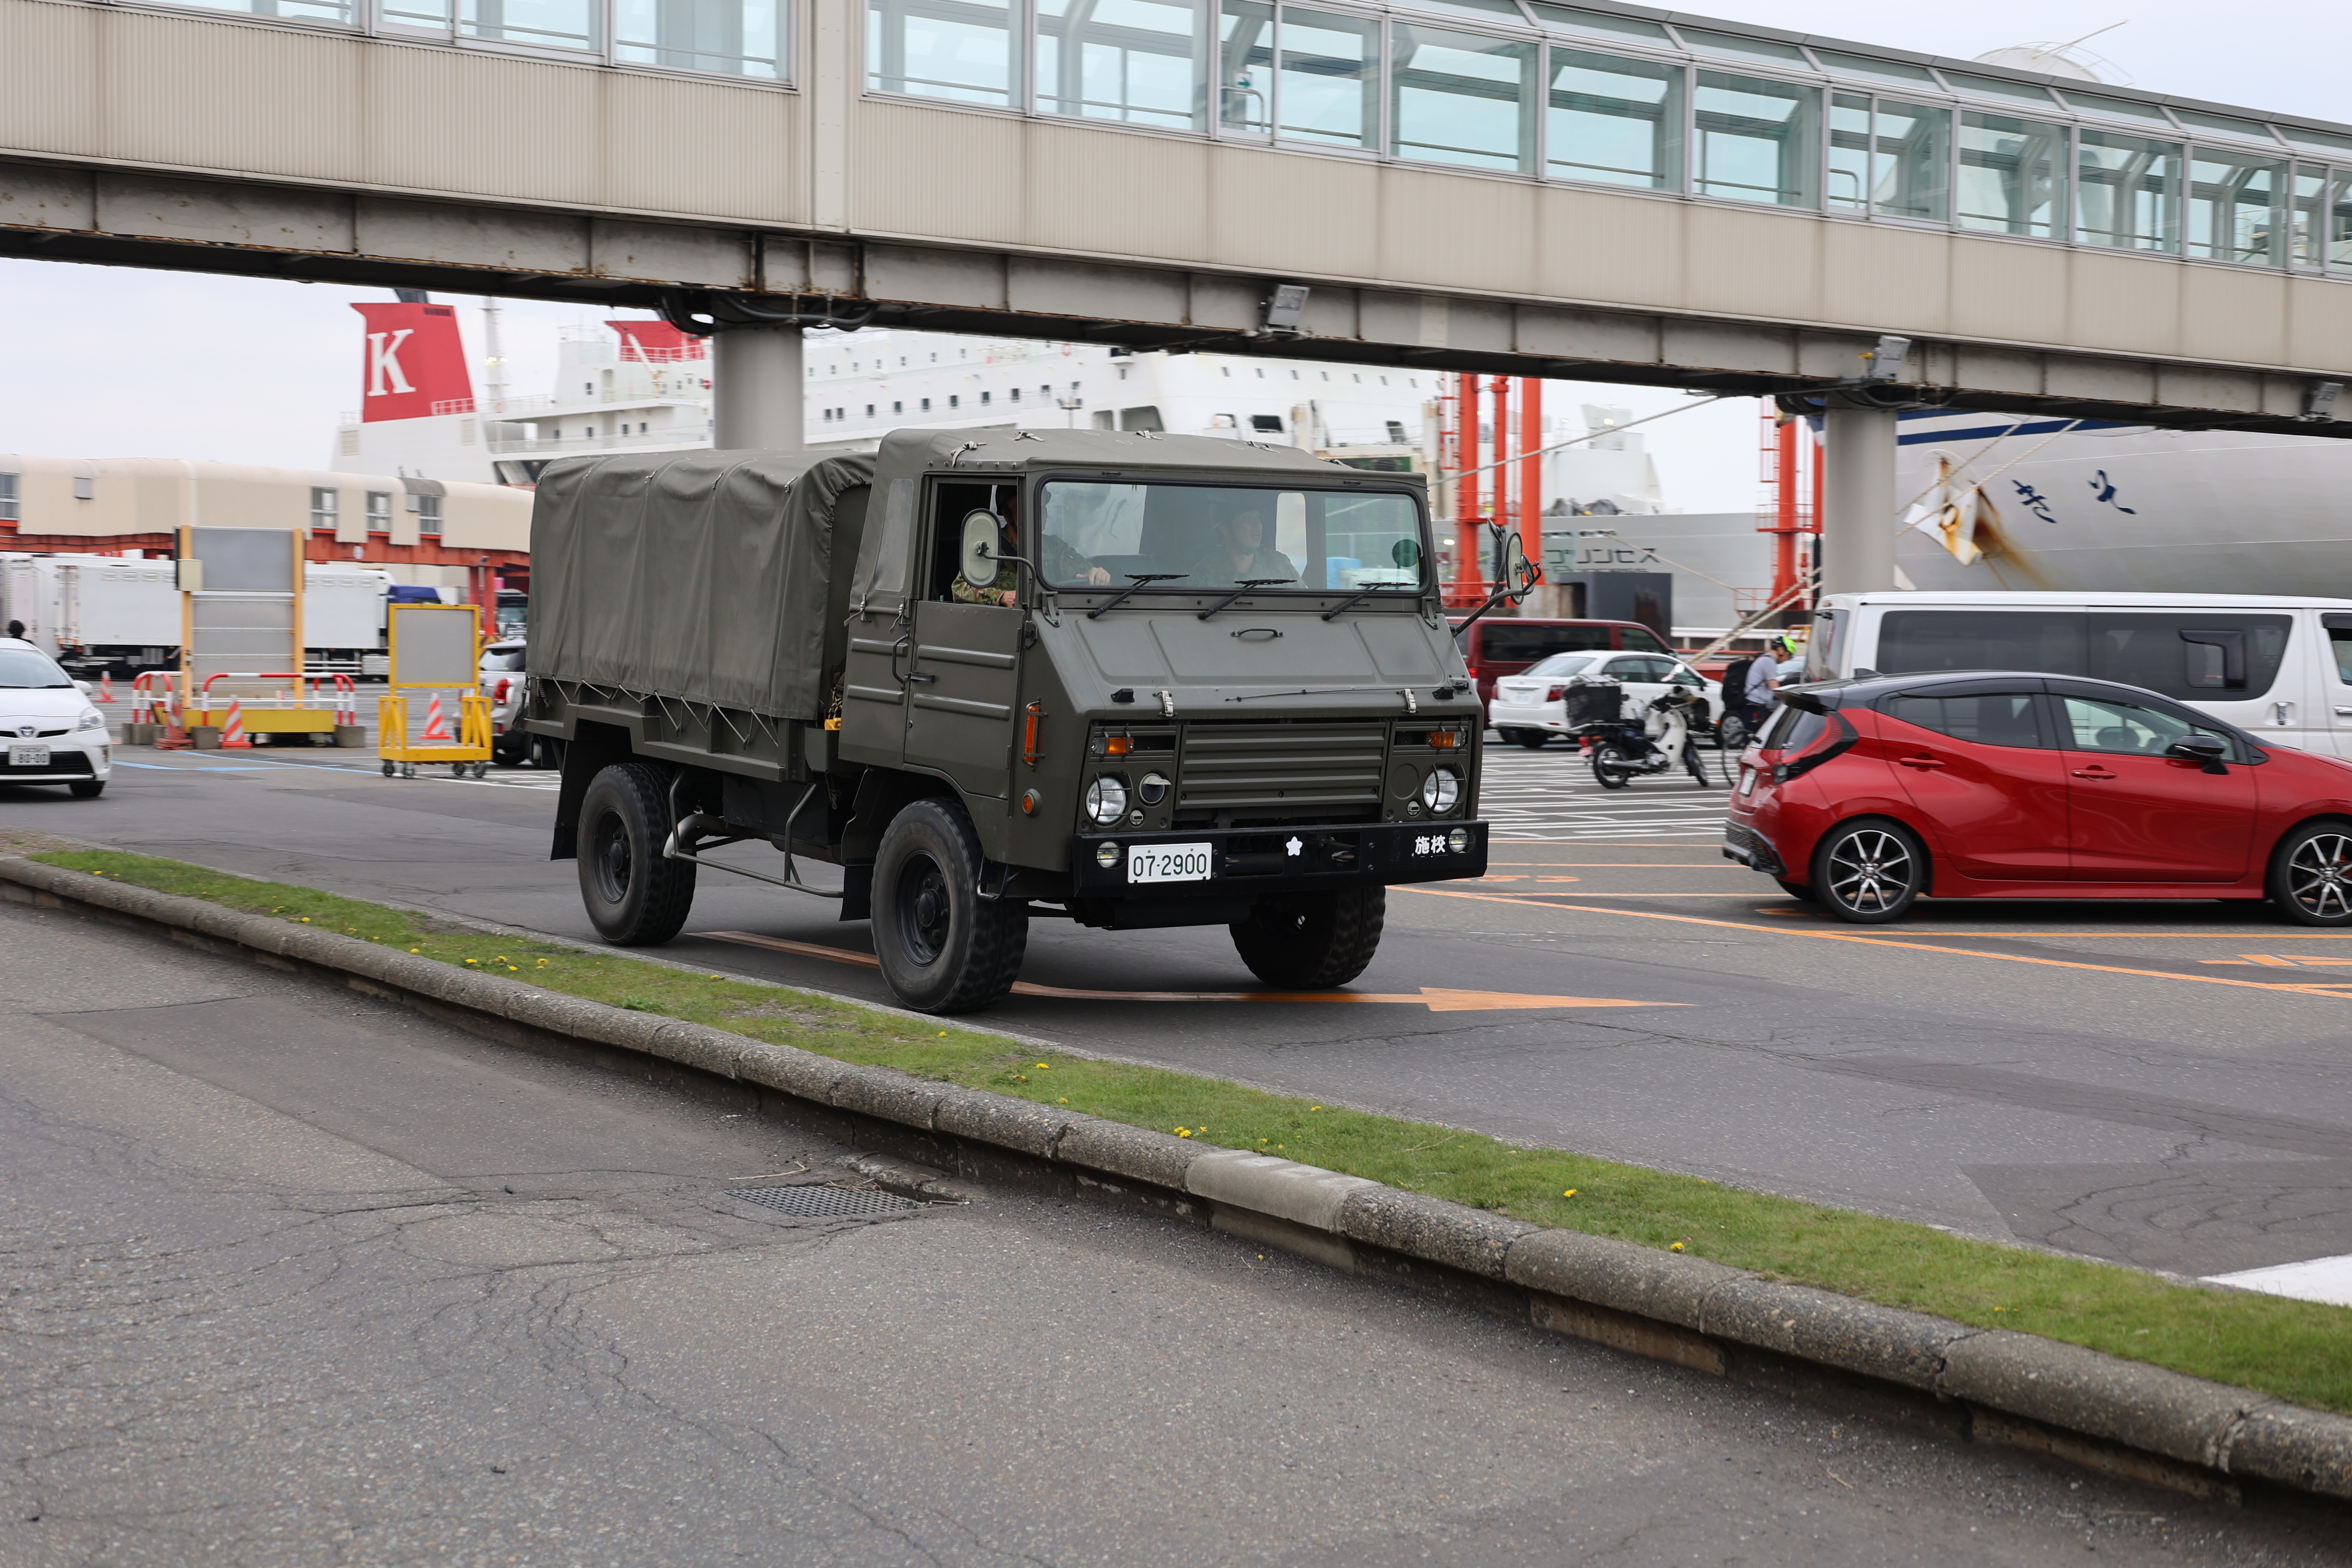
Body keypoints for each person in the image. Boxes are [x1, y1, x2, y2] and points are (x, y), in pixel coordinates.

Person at [952, 499, 1110, 607]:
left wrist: (1094, 573)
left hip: (1051, 617)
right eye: (1028, 508)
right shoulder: (990, 547)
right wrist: (1002, 597)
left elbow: (1082, 570)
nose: (1038, 514)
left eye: (1042, 508)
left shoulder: (1053, 545)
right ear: (1007, 515)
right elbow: (960, 589)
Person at [1197, 507, 1297, 587]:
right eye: (1248, 518)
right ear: (1226, 529)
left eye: (1258, 517)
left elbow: (1303, 602)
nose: (1258, 524)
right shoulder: (1206, 571)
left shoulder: (1279, 564)